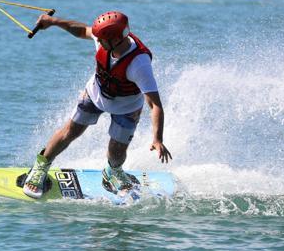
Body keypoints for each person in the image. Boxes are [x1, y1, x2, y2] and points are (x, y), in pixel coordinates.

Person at [23, 11, 172, 199]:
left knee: (117, 151)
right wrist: (53, 22)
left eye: (102, 40)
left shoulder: (139, 64)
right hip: (95, 93)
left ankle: (113, 172)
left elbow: (155, 105)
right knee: (71, 130)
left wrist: (157, 139)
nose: (97, 41)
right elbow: (81, 30)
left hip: (127, 106)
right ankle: (40, 167)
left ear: (116, 40)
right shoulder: (106, 37)